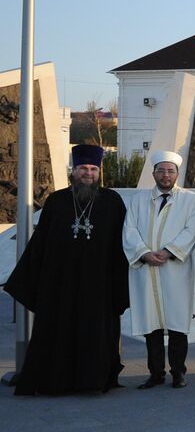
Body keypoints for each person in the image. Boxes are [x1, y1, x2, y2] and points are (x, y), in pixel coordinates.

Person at [6, 145, 129, 395]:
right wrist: (31, 280)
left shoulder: (113, 201)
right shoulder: (57, 201)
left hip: (99, 284)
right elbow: (40, 242)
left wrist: (120, 282)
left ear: (99, 172)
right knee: (58, 331)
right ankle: (56, 380)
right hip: (60, 284)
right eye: (83, 168)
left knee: (94, 332)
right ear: (74, 171)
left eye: (94, 169)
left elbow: (123, 243)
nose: (88, 173)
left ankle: (93, 381)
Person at [123, 151, 195, 389]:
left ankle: (178, 372)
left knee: (178, 323)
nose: (165, 175)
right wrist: (144, 253)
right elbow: (129, 230)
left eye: (170, 171)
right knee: (152, 325)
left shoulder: (191, 200)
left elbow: (192, 229)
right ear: (153, 174)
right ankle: (156, 373)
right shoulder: (138, 200)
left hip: (175, 269)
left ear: (177, 174)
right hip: (146, 269)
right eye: (161, 170)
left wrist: (169, 251)